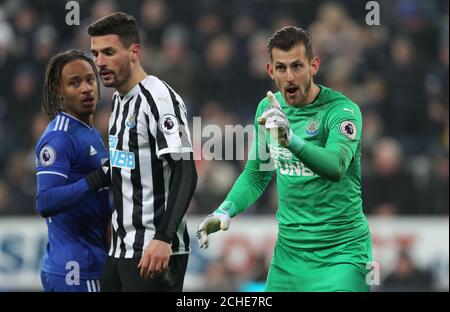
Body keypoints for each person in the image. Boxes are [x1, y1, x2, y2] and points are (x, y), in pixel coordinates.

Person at [197, 26, 372, 292]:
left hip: (342, 253)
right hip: (289, 257)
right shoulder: (268, 108)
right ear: (270, 71)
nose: (289, 76)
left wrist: (290, 139)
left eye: (297, 66)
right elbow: (257, 174)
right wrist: (225, 209)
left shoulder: (342, 111)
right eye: (281, 68)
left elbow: (335, 166)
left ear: (314, 66)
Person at [88, 12, 197, 292]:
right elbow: (122, 165)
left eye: (109, 52)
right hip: (121, 249)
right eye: (96, 53)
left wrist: (164, 238)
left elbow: (186, 171)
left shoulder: (159, 99)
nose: (100, 62)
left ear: (134, 51)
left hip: (154, 251)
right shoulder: (118, 101)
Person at [36, 49, 112, 292]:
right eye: (74, 83)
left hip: (91, 261)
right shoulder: (60, 137)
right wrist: (95, 180)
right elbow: (45, 201)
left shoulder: (88, 131)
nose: (86, 88)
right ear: (58, 91)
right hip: (75, 269)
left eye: (90, 79)